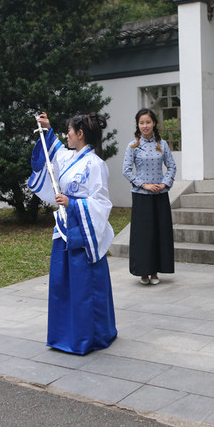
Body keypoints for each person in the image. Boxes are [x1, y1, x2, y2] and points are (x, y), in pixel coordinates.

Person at [27, 111, 117, 354]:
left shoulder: (96, 164)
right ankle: (63, 334)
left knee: (85, 285)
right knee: (62, 282)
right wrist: (46, 129)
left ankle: (90, 335)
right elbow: (51, 154)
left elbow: (101, 203)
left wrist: (73, 203)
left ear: (80, 134)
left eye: (69, 131)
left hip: (84, 230)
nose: (66, 135)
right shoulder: (70, 158)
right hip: (66, 227)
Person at [122, 108, 177, 285]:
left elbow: (172, 167)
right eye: (141, 122)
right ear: (138, 125)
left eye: (148, 122)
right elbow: (126, 170)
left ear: (154, 123)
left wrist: (163, 184)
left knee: (160, 233)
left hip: (160, 195)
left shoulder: (163, 145)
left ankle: (155, 273)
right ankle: (144, 272)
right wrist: (144, 185)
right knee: (144, 235)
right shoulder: (133, 146)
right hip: (141, 196)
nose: (145, 126)